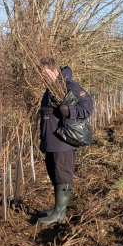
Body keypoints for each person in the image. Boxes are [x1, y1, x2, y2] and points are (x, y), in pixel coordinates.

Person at [37, 58, 94, 225]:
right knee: (54, 174)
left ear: (55, 71)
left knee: (63, 174)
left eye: (45, 73)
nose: (43, 77)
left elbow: (87, 106)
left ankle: (60, 213)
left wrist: (69, 111)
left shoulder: (69, 85)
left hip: (63, 140)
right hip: (51, 141)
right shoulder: (50, 89)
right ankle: (57, 208)